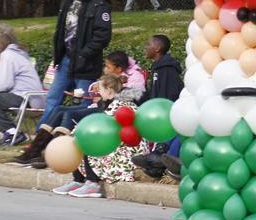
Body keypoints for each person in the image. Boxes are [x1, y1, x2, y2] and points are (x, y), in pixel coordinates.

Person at [13, 50, 145, 166]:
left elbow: (136, 95)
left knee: (70, 115)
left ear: (119, 68)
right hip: (101, 106)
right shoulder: (112, 76)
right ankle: (35, 150)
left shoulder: (135, 77)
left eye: (108, 67)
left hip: (111, 112)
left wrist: (112, 93)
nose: (105, 69)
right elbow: (99, 87)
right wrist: (97, 89)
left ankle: (55, 154)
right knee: (59, 109)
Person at [37, 0, 112, 130]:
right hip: (65, 59)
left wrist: (84, 54)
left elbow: (102, 35)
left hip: (86, 63)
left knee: (83, 103)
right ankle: (42, 135)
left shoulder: (99, 1)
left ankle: (78, 136)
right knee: (53, 97)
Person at [52, 73, 146, 197]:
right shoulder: (111, 103)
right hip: (117, 146)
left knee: (88, 140)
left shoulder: (122, 105)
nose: (98, 93)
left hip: (125, 152)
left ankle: (93, 183)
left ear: (109, 90)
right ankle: (78, 180)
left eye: (100, 89)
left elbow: (107, 130)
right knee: (78, 139)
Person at [0, 23, 44, 146]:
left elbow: (3, 85)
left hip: (26, 98)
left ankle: (12, 133)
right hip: (33, 98)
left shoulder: (7, 55)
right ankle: (11, 132)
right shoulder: (17, 53)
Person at [132, 35, 184, 179]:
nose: (145, 47)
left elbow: (168, 95)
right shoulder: (158, 68)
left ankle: (159, 160)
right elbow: (152, 94)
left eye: (149, 43)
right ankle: (155, 165)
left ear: (157, 49)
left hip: (170, 113)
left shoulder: (167, 69)